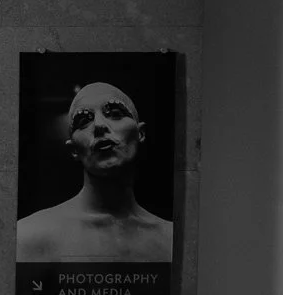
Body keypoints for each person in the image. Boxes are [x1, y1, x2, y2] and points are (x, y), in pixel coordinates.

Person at [15, 80, 173, 263]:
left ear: (140, 133)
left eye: (115, 114)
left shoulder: (171, 239)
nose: (99, 125)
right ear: (74, 150)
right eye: (83, 121)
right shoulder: (30, 236)